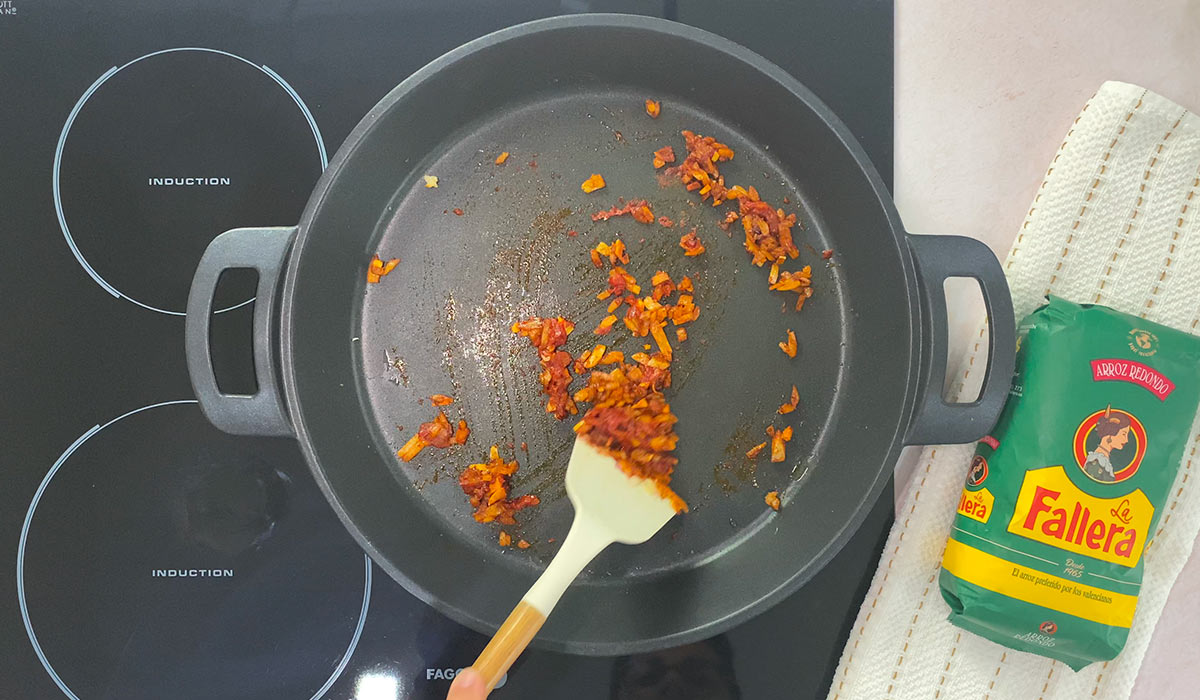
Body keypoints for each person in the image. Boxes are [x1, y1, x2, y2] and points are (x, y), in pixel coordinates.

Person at [1083, 409, 1131, 482]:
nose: (1126, 440)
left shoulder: (1103, 460)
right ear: (1111, 432)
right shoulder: (1096, 461)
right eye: (1124, 434)